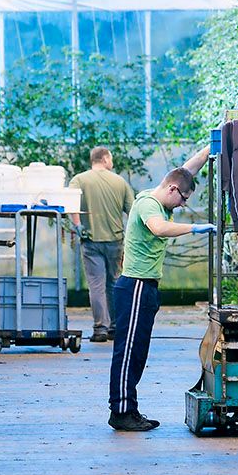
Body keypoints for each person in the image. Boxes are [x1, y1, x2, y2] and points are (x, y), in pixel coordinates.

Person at [108, 145, 215, 432]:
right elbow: (157, 228)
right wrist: (194, 228)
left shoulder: (167, 192)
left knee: (138, 352)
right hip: (135, 287)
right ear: (170, 189)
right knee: (128, 352)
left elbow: (187, 171)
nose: (183, 205)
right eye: (183, 199)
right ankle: (120, 411)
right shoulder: (148, 205)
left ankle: (129, 409)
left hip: (147, 287)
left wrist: (215, 140)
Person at [69, 147, 135, 343]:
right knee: (115, 284)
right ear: (105, 158)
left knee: (96, 286)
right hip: (115, 241)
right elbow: (133, 212)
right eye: (111, 158)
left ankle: (100, 329)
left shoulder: (79, 180)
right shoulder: (120, 182)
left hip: (90, 240)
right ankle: (116, 327)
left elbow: (70, 205)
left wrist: (78, 226)